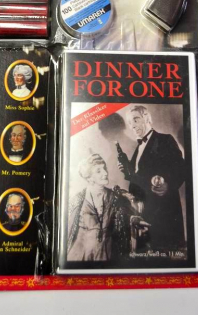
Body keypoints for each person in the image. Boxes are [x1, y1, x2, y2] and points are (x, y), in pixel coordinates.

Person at [118, 105, 185, 251]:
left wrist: (168, 184)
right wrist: (127, 170)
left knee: (165, 253)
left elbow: (181, 168)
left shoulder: (165, 140)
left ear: (147, 118)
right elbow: (139, 177)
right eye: (129, 122)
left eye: (136, 119)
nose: (132, 126)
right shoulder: (138, 148)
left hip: (163, 212)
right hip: (143, 211)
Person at [67, 153, 148, 262]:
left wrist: (135, 220)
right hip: (81, 252)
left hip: (107, 252)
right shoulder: (78, 200)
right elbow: (68, 227)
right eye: (98, 171)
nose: (105, 173)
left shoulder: (114, 197)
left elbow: (125, 215)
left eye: (104, 168)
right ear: (89, 177)